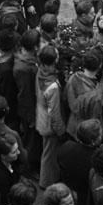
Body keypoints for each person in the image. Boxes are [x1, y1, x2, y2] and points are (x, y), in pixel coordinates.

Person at [36, 44, 66, 188]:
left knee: (47, 150)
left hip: (41, 118)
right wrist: (61, 130)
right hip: (49, 125)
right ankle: (46, 181)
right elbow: (54, 113)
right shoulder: (52, 86)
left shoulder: (40, 73)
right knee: (49, 154)